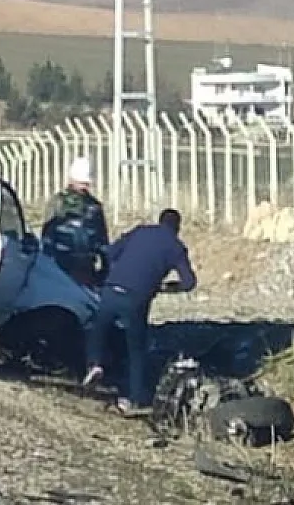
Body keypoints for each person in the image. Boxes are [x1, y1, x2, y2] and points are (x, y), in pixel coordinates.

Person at [82, 208, 198, 412]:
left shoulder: (140, 231)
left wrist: (115, 271)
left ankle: (95, 364)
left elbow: (110, 252)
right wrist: (166, 287)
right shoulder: (176, 247)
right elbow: (189, 282)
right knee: (136, 349)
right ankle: (134, 399)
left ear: (159, 220)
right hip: (136, 298)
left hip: (112, 287)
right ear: (177, 227)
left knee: (98, 327)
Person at [40, 157, 109, 287]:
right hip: (63, 266)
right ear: (72, 181)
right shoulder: (57, 203)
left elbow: (102, 242)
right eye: (81, 183)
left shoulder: (94, 207)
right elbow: (47, 238)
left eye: (85, 184)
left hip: (82, 267)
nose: (84, 187)